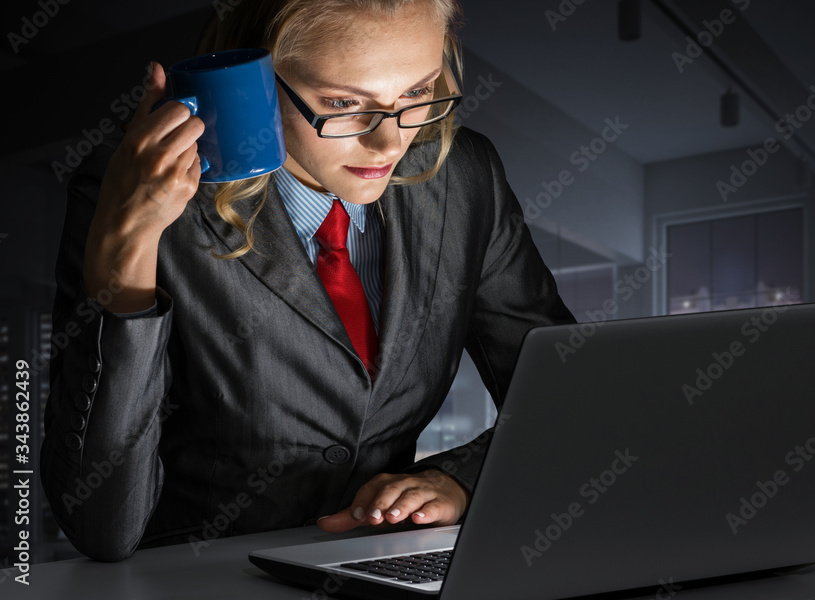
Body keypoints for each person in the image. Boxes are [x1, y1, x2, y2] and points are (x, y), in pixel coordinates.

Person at [40, 0, 574, 562]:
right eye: (344, 104)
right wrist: (128, 247)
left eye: (417, 93)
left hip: (382, 570)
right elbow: (100, 525)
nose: (389, 144)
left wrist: (461, 479)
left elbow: (568, 392)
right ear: (253, 86)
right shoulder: (133, 195)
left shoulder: (465, 177)